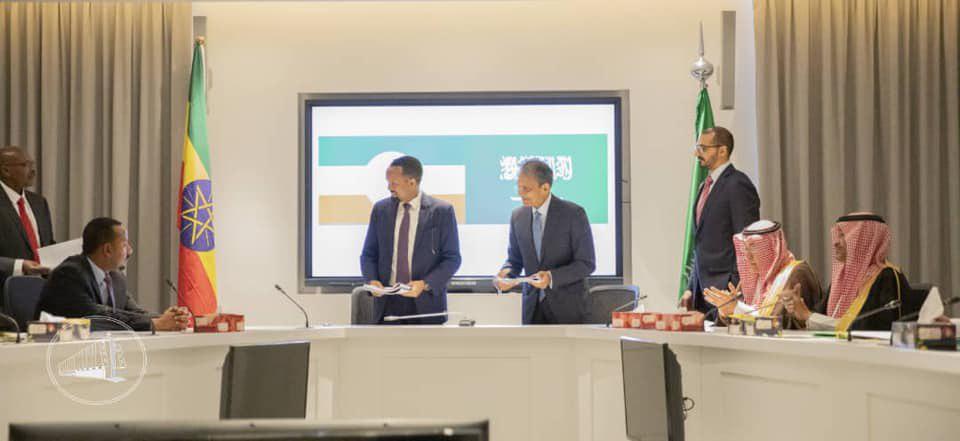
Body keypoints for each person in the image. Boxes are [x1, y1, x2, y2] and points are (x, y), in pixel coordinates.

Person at [35, 217, 190, 331]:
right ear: (108, 250)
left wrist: (167, 318)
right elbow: (97, 317)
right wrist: (154, 323)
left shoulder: (116, 278)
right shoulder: (69, 274)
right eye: (124, 245)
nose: (130, 251)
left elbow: (133, 312)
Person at [360, 155, 462, 324]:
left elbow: (452, 259)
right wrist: (372, 280)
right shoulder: (381, 210)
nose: (389, 188)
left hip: (426, 304)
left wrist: (425, 284)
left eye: (394, 183)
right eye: (388, 182)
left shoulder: (442, 211)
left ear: (412, 182)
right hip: (387, 304)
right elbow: (368, 254)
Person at [494, 159, 596, 324]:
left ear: (545, 188)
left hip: (568, 309)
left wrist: (551, 277)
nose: (521, 193)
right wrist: (505, 274)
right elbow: (514, 260)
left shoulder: (573, 214)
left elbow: (586, 263)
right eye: (519, 187)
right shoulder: (518, 216)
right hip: (532, 309)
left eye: (526, 189)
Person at [782, 213, 923, 331]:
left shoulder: (887, 277)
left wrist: (808, 316)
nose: (835, 242)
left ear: (865, 240)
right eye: (837, 235)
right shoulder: (842, 278)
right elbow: (819, 317)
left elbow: (866, 329)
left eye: (843, 235)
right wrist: (798, 310)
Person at [679, 126, 760, 314]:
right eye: (697, 148)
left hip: (726, 293)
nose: (696, 153)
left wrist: (734, 288)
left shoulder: (738, 184)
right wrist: (690, 287)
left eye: (703, 148)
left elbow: (746, 242)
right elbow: (700, 243)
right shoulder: (704, 186)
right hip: (701, 291)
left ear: (722, 151)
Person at [703, 220, 823, 328]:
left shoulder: (797, 273)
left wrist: (737, 308)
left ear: (773, 247)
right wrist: (725, 313)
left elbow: (786, 323)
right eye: (745, 249)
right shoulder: (751, 278)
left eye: (754, 248)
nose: (748, 256)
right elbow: (739, 326)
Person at [0, 145, 55, 282]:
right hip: (6, 288)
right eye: (26, 165)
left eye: (32, 164)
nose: (33, 170)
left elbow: (47, 244)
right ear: (6, 171)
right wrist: (19, 266)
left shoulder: (39, 202)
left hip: (44, 287)